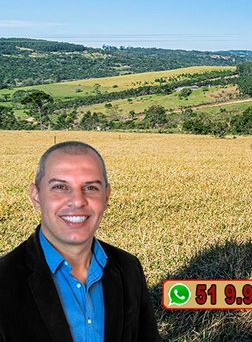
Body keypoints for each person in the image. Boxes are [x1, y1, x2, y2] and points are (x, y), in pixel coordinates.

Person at [0, 141, 162, 342]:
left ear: (106, 196)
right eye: (60, 187)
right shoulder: (4, 279)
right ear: (36, 196)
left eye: (91, 187)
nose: (77, 201)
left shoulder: (128, 268)